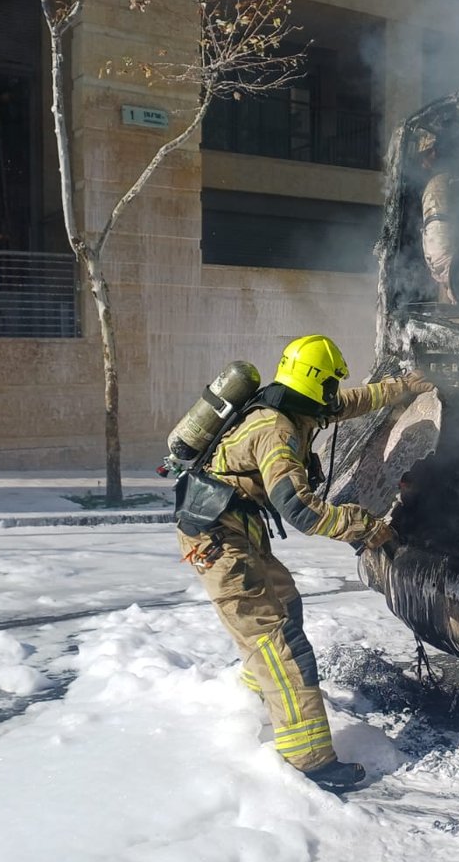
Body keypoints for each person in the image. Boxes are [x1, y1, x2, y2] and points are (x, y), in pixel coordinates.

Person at [177, 335, 433, 791]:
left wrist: (404, 387)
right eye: (333, 382)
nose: (338, 392)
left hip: (236, 530)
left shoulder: (296, 403)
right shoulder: (275, 429)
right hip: (221, 542)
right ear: (319, 382)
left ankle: (259, 695)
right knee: (281, 644)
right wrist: (366, 526)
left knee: (285, 605)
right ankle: (308, 759)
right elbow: (299, 508)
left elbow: (352, 402)